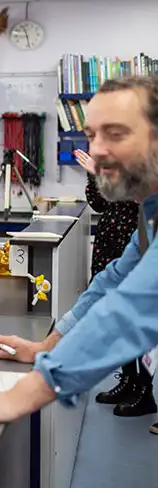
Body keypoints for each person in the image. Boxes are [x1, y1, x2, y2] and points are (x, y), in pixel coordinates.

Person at [0, 76, 158, 432]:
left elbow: (130, 309)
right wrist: (46, 346)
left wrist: (25, 392)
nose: (95, 150)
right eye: (92, 135)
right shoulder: (150, 210)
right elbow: (113, 280)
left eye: (115, 133)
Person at [74, 148, 153, 416]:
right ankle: (128, 380)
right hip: (110, 242)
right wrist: (94, 177)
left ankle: (144, 389)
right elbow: (100, 203)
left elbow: (138, 197)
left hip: (135, 239)